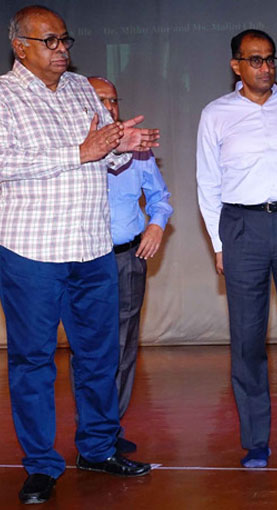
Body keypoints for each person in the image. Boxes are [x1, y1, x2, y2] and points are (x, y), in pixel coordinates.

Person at [0, 5, 157, 505]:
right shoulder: (4, 97)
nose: (62, 49)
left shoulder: (80, 90)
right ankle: (42, 466)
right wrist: (82, 152)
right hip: (32, 252)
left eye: (65, 40)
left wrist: (121, 145)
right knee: (34, 362)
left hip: (91, 248)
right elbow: (6, 163)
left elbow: (100, 155)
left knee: (98, 357)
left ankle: (96, 447)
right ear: (20, 46)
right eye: (50, 41)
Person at [196, 29, 277, 469]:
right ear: (236, 65)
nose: (266, 68)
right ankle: (256, 440)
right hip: (241, 227)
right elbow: (208, 183)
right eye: (255, 61)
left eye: (271, 59)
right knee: (248, 340)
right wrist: (219, 243)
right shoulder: (216, 114)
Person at [88, 76, 173, 454]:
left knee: (123, 347)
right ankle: (91, 431)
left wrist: (155, 225)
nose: (109, 107)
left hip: (127, 260)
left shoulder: (138, 151)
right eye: (100, 100)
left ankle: (109, 430)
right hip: (84, 263)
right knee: (91, 350)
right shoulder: (75, 151)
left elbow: (160, 197)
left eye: (113, 100)